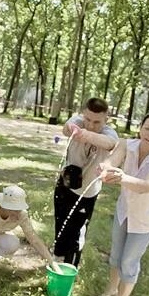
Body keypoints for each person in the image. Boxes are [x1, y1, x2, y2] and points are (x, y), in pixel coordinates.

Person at [93, 112, 149, 296]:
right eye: (147, 128)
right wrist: (105, 167)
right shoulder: (127, 145)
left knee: (128, 261)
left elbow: (146, 186)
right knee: (116, 255)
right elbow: (112, 160)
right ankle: (110, 290)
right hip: (125, 211)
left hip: (146, 219)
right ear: (140, 128)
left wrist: (122, 177)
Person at [53, 97, 118, 267]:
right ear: (83, 114)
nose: (90, 124)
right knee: (60, 226)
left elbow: (110, 143)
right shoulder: (77, 122)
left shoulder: (109, 133)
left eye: (97, 122)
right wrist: (75, 130)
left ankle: (69, 268)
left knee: (77, 234)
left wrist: (87, 135)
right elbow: (67, 128)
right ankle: (57, 258)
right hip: (65, 184)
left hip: (87, 193)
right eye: (88, 119)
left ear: (106, 119)